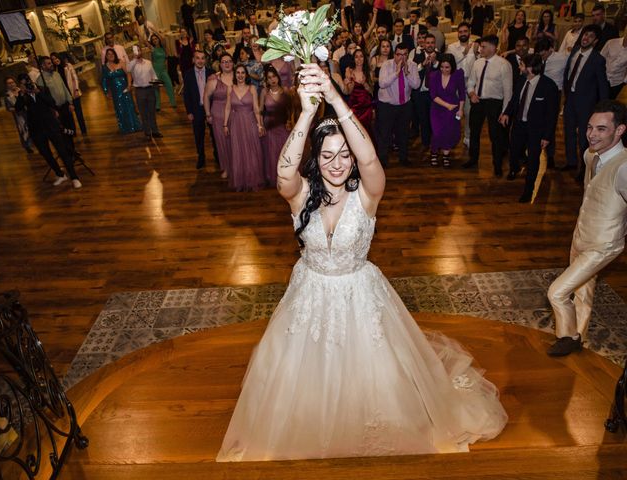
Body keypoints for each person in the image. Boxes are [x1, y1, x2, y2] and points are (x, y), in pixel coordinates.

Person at [216, 62, 507, 462]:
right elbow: (284, 172)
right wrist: (305, 111)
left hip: (360, 294)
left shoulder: (368, 195)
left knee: (374, 378)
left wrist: (334, 98)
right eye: (327, 155)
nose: (337, 163)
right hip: (311, 295)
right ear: (314, 160)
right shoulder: (301, 195)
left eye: (344, 155)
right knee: (305, 376)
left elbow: (371, 161)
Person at [547, 100, 627, 357]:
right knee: (583, 290)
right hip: (581, 235)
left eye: (602, 129)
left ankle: (567, 337)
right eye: (590, 127)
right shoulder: (589, 154)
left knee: (557, 292)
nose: (592, 134)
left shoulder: (624, 168)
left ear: (620, 130)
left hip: (604, 243)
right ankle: (580, 334)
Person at [499, 53, 558, 201]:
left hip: (536, 129)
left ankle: (529, 189)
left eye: (522, 65)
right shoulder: (521, 80)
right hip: (519, 124)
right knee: (513, 149)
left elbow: (552, 115)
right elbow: (514, 100)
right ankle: (514, 169)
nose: (519, 67)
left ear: (530, 68)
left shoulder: (549, 86)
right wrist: (506, 113)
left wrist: (547, 136)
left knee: (533, 159)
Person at [15, 73, 81, 189]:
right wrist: (21, 94)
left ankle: (74, 177)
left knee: (62, 151)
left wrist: (38, 92)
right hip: (36, 129)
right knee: (46, 153)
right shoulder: (22, 95)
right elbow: (18, 108)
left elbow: (52, 102)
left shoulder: (42, 89)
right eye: (23, 83)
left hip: (51, 126)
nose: (27, 84)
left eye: (27, 81)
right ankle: (60, 174)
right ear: (20, 85)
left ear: (31, 80)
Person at [562, 25, 609, 175]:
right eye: (585, 34)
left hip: (586, 103)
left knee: (584, 136)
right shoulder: (574, 52)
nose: (585, 38)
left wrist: (603, 109)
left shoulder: (598, 59)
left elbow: (602, 85)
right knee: (568, 131)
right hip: (570, 100)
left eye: (590, 36)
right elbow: (568, 74)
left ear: (595, 41)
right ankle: (571, 162)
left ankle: (584, 168)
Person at [464, 35, 513, 176]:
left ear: (493, 47)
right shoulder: (478, 63)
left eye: (484, 47)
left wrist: (505, 112)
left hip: (495, 103)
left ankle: (497, 165)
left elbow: (508, 92)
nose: (481, 49)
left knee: (495, 136)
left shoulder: (504, 65)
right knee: (474, 132)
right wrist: (471, 93)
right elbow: (471, 82)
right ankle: (473, 159)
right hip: (478, 101)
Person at [376, 43, 421, 167]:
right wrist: (396, 73)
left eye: (405, 55)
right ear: (394, 55)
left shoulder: (412, 66)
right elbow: (382, 83)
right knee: (385, 134)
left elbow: (416, 85)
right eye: (399, 55)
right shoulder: (386, 65)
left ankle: (403, 158)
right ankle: (383, 160)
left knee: (404, 133)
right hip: (387, 105)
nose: (402, 58)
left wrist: (407, 73)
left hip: (404, 105)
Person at [224, 64, 265, 191]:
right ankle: (240, 180)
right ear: (235, 74)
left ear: (246, 75)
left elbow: (256, 109)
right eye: (238, 73)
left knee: (251, 151)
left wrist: (259, 125)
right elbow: (227, 107)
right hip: (236, 124)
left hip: (249, 122)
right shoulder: (230, 89)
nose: (240, 75)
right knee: (238, 151)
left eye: (243, 73)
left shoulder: (252, 88)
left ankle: (252, 179)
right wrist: (225, 124)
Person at [535, 37, 567, 168]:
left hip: (554, 93)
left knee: (550, 124)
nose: (541, 57)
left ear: (550, 50)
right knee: (536, 123)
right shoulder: (537, 56)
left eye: (543, 54)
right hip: (538, 91)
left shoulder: (563, 58)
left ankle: (551, 156)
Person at [429, 54, 465, 167]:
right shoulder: (434, 75)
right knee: (437, 132)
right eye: (442, 67)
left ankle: (446, 155)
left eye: (447, 67)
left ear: (452, 67)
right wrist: (447, 105)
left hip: (452, 109)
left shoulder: (458, 75)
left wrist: (461, 109)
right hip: (438, 108)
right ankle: (434, 152)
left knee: (449, 132)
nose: (444, 70)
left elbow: (462, 94)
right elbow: (433, 95)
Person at [447, 22, 478, 148]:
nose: (463, 34)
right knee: (454, 111)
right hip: (455, 83)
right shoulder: (452, 47)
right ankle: (452, 135)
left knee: (469, 112)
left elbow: (480, 62)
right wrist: (465, 52)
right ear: (457, 34)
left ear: (469, 32)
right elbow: (451, 62)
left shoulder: (476, 45)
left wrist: (476, 53)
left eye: (465, 31)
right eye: (460, 32)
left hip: (471, 82)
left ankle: (468, 137)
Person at [260, 66, 291, 185]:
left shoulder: (285, 90)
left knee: (284, 152)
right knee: (272, 153)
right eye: (269, 78)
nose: (272, 80)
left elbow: (290, 109)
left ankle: (286, 176)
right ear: (266, 80)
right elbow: (260, 110)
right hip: (270, 125)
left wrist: (289, 121)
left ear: (278, 77)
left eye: (274, 76)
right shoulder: (264, 92)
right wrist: (261, 125)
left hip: (283, 124)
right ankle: (274, 176)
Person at [204, 53, 234, 179]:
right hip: (219, 115)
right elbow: (206, 96)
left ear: (233, 63)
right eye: (224, 62)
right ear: (220, 64)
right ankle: (226, 168)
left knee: (235, 142)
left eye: (229, 61)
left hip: (236, 113)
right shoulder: (214, 79)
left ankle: (237, 166)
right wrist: (208, 114)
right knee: (222, 143)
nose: (227, 64)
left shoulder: (239, 76)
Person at [184, 50, 215, 169]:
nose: (200, 61)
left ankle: (217, 154)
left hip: (211, 108)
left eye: (202, 58)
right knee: (198, 135)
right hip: (196, 109)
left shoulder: (212, 73)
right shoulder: (188, 74)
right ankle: (201, 157)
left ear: (205, 60)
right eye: (198, 58)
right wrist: (189, 111)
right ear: (193, 60)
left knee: (214, 133)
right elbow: (186, 95)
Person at [102, 49, 142, 134]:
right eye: (108, 54)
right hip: (115, 92)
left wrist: (129, 85)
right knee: (119, 108)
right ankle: (125, 128)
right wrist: (106, 91)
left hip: (125, 88)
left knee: (129, 106)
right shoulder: (105, 67)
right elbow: (104, 80)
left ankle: (134, 126)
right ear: (106, 56)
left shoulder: (120, 62)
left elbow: (128, 73)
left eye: (112, 54)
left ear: (115, 54)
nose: (110, 55)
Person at [413, 33, 440, 154]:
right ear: (424, 44)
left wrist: (434, 63)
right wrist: (422, 64)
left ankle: (435, 143)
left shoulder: (440, 56)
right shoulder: (417, 56)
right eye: (427, 43)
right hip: (420, 94)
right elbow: (412, 71)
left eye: (432, 43)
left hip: (435, 95)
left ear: (435, 44)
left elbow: (443, 73)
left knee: (434, 120)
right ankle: (425, 143)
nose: (429, 45)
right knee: (423, 119)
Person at [128, 49, 162, 139]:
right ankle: (147, 133)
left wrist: (156, 82)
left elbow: (153, 74)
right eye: (135, 51)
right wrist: (134, 59)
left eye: (139, 50)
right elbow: (128, 69)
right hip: (139, 90)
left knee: (152, 112)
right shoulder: (132, 64)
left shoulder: (148, 62)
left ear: (141, 51)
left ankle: (155, 131)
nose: (137, 52)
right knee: (143, 113)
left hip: (150, 89)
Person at [342, 49, 374, 139]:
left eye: (361, 56)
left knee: (366, 131)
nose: (359, 59)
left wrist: (364, 83)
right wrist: (350, 82)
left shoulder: (369, 72)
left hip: (366, 107)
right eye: (356, 57)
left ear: (364, 58)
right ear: (353, 59)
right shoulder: (349, 70)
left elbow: (371, 92)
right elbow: (348, 91)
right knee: (354, 131)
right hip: (354, 106)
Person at [4, 76, 33, 153]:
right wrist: (16, 109)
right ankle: (27, 146)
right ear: (6, 85)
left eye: (12, 82)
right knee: (23, 130)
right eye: (9, 83)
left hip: (28, 112)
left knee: (32, 126)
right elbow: (8, 108)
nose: (11, 84)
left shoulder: (21, 90)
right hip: (19, 115)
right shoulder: (7, 95)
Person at [148, 34, 177, 110]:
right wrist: (138, 33)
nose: (155, 40)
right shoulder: (152, 48)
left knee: (169, 85)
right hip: (155, 70)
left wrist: (154, 30)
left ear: (158, 39)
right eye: (153, 39)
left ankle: (173, 102)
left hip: (163, 70)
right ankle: (157, 106)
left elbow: (166, 59)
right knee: (156, 88)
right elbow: (144, 41)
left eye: (156, 39)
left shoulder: (163, 47)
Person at [601, 32, 627, 100]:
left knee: (609, 103)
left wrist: (625, 81)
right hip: (602, 78)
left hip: (617, 82)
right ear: (625, 31)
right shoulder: (611, 42)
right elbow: (601, 58)